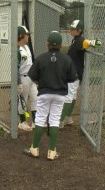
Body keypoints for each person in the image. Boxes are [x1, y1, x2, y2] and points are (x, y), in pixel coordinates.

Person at [24, 31, 78, 160]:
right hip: (60, 94)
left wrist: (42, 81)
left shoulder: (41, 58)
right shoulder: (66, 59)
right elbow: (72, 79)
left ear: (47, 44)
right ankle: (52, 152)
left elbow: (32, 76)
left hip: (44, 93)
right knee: (54, 120)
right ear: (60, 45)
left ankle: (34, 149)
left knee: (40, 119)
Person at [60, 20, 101, 127]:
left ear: (79, 30)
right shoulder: (76, 40)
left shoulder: (80, 41)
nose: (71, 30)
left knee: (69, 97)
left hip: (74, 74)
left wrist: (94, 42)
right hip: (74, 73)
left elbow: (97, 43)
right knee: (72, 96)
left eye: (73, 29)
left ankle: (61, 121)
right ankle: (68, 118)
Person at [17, 25, 38, 131]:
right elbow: (15, 68)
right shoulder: (17, 50)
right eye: (27, 35)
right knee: (23, 101)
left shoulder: (27, 47)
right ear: (21, 36)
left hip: (31, 77)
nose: (28, 36)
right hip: (23, 78)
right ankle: (22, 121)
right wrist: (18, 83)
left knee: (35, 98)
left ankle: (35, 122)